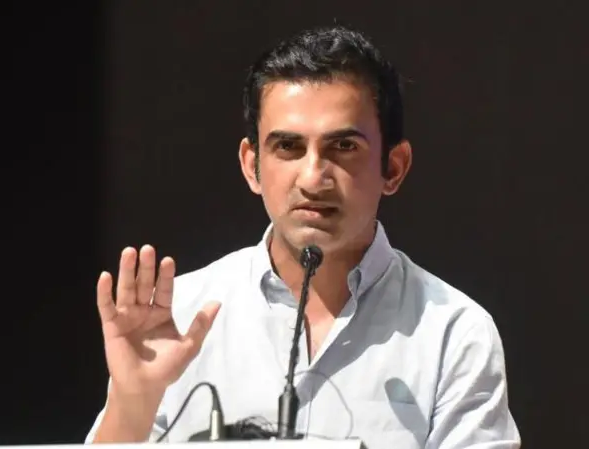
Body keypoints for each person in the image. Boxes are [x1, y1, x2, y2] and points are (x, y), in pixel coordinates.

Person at [84, 25, 521, 449]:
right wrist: (133, 401)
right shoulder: (180, 315)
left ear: (393, 167)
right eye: (288, 147)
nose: (313, 178)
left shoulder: (453, 333)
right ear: (251, 165)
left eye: (343, 147)